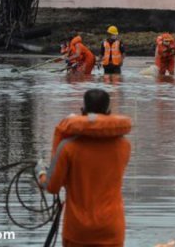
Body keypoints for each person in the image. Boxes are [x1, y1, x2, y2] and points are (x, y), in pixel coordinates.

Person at [38, 89, 131, 247]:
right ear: (108, 113)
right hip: (112, 228)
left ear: (82, 112)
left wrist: (41, 173)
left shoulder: (68, 147)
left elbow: (52, 186)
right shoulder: (124, 146)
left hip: (78, 231)